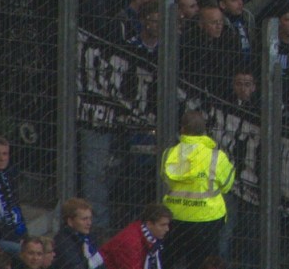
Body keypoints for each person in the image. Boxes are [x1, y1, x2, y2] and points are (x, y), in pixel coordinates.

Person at [162, 111, 234, 269]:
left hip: (175, 216)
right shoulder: (217, 157)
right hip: (207, 219)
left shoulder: (169, 154)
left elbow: (165, 179)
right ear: (204, 131)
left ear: (182, 129)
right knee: (203, 263)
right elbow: (227, 185)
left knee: (168, 261)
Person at [99, 203, 172, 269]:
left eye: (167, 225)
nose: (167, 229)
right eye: (163, 225)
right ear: (149, 224)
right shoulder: (131, 241)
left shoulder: (149, 237)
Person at [50, 198, 102, 269]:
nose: (89, 223)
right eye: (84, 219)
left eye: (90, 218)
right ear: (70, 221)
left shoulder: (88, 237)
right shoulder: (63, 243)